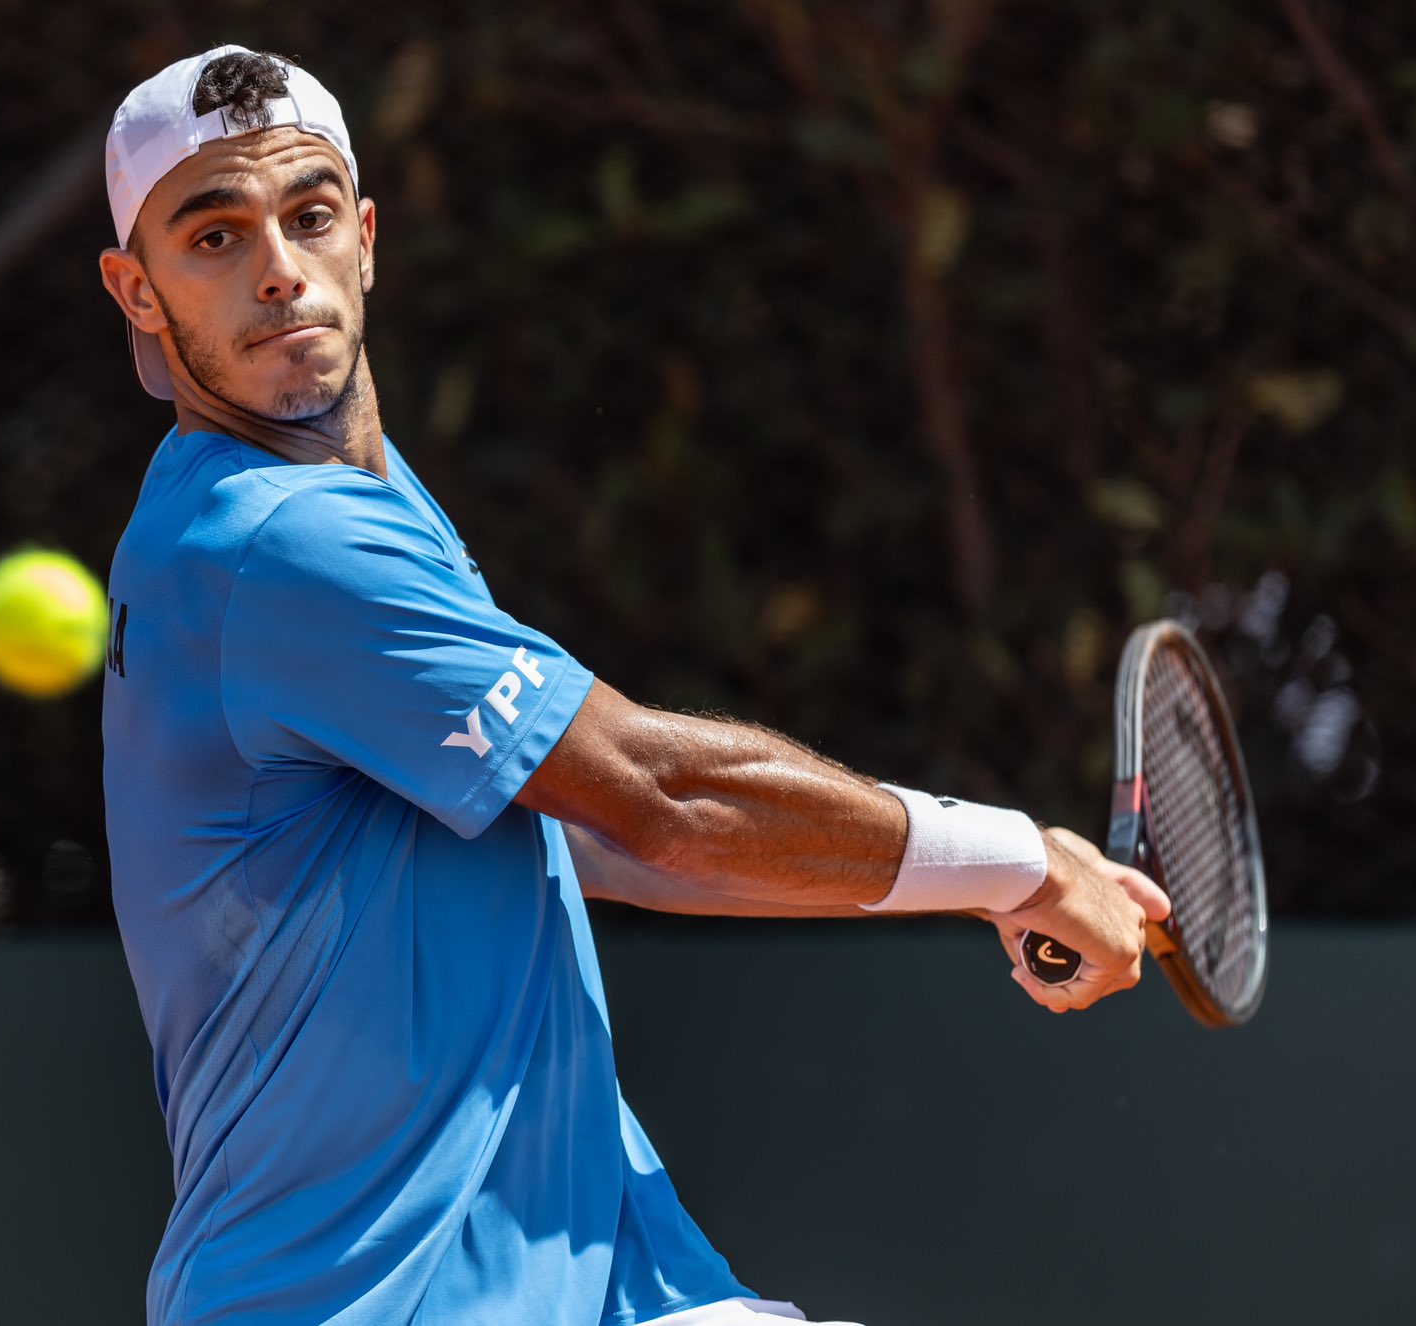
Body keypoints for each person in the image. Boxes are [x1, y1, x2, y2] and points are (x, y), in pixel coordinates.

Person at [96, 45, 1169, 1326]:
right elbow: (652, 796)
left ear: (366, 239)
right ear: (138, 292)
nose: (278, 266)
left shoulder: (363, 502)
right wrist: (1019, 865)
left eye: (310, 215)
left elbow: (579, 834)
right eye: (213, 237)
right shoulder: (274, 544)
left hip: (596, 1272)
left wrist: (975, 886)